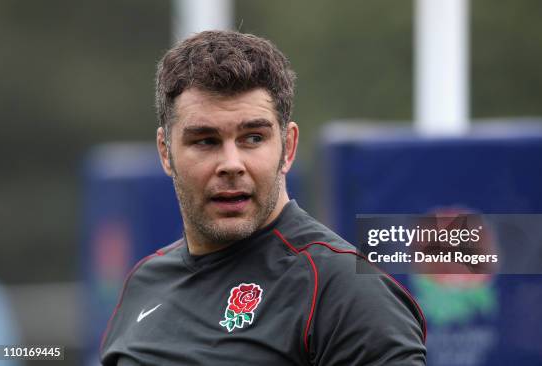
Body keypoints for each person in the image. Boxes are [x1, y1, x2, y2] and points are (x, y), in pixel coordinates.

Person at [100, 30, 426, 365]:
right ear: (166, 152)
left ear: (289, 146)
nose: (231, 164)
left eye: (253, 138)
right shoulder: (145, 281)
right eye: (205, 141)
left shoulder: (342, 291)